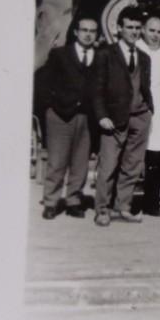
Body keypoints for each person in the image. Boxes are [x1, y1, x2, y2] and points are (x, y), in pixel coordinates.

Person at [91, 6, 153, 227]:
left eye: (137, 28)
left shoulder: (145, 58)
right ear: (119, 28)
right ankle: (102, 210)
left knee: (132, 166)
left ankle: (123, 207)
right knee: (107, 166)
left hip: (140, 117)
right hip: (113, 120)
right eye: (129, 27)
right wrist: (101, 116)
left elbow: (144, 86)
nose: (134, 32)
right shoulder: (106, 54)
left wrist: (148, 112)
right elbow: (96, 90)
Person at [37, 15, 98, 219]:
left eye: (92, 31)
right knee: (57, 160)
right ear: (76, 32)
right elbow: (43, 84)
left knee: (80, 162)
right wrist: (52, 106)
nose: (88, 35)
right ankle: (51, 202)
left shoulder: (99, 56)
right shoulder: (60, 54)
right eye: (84, 30)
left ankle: (73, 200)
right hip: (60, 116)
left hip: (87, 117)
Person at [136, 14, 160, 216]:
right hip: (136, 107)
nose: (155, 35)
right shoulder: (135, 49)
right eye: (151, 30)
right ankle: (124, 202)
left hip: (159, 110)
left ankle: (151, 204)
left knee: (155, 159)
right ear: (143, 29)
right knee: (132, 156)